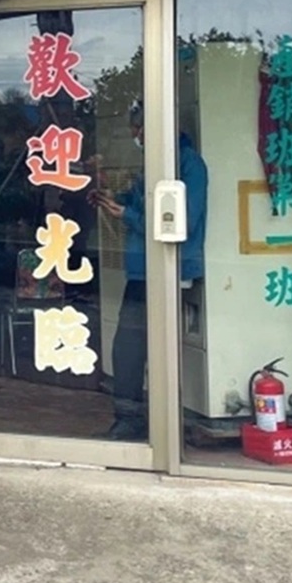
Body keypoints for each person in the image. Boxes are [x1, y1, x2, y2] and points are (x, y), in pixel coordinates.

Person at [89, 100, 208, 441]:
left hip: (170, 266)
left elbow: (177, 224)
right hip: (143, 267)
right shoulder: (153, 166)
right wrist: (113, 198)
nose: (137, 136)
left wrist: (125, 215)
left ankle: (144, 422)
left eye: (140, 129)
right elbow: (138, 200)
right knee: (130, 346)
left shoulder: (190, 166)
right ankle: (134, 417)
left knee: (140, 345)